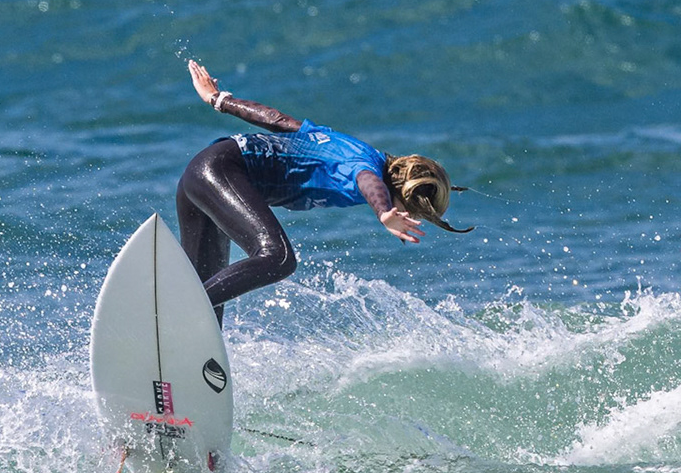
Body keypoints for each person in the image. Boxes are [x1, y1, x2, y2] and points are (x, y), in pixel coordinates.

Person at [177, 59, 471, 323]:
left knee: (207, 293)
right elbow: (367, 181)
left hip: (205, 175)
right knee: (278, 258)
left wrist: (219, 99)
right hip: (220, 172)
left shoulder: (352, 149)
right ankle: (177, 312)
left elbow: (278, 120)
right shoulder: (364, 166)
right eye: (411, 213)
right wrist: (384, 212)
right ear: (403, 195)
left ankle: (177, 332)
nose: (407, 219)